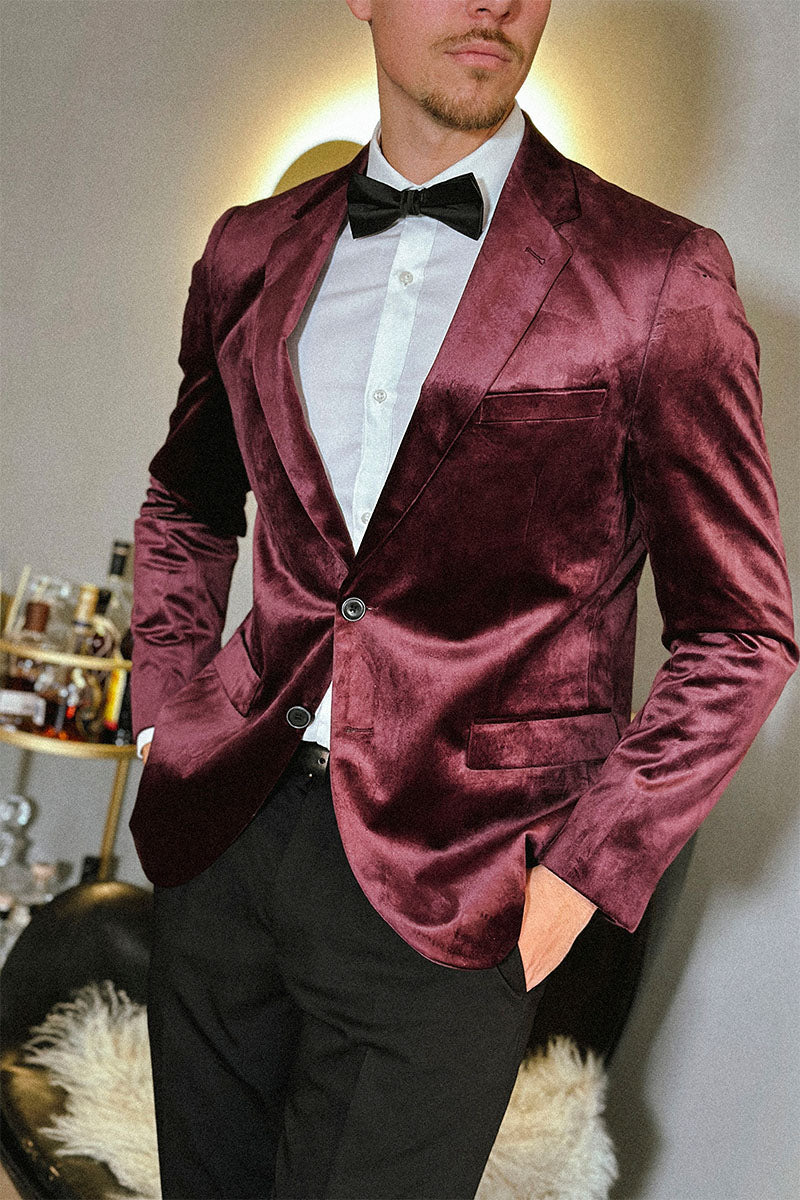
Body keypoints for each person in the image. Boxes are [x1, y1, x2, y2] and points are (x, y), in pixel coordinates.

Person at [129, 1, 797, 1197]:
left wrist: (579, 878)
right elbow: (186, 504)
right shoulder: (249, 249)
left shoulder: (656, 276)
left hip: (454, 892)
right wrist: (163, 716)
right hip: (228, 835)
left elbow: (739, 631)